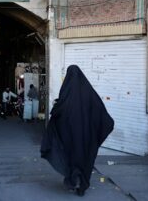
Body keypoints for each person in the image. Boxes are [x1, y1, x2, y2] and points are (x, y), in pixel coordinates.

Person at [40, 65, 114, 196]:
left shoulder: (66, 94)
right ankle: (82, 184)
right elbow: (103, 116)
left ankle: (73, 180)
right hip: (86, 137)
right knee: (84, 157)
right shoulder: (89, 93)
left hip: (70, 136)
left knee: (71, 156)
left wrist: (55, 107)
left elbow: (57, 112)